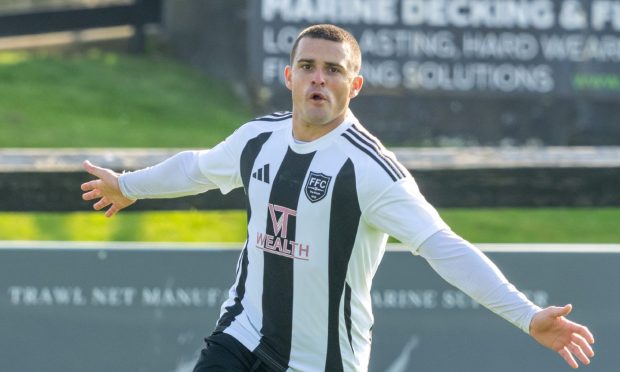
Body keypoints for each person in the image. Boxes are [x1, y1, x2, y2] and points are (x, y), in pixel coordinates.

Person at [81, 24, 595, 372]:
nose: (318, 79)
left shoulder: (371, 170)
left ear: (356, 84)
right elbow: (196, 168)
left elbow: (443, 245)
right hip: (240, 335)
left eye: (333, 69)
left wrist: (526, 315)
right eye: (307, 66)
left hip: (321, 360)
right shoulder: (258, 138)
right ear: (289, 77)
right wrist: (127, 186)